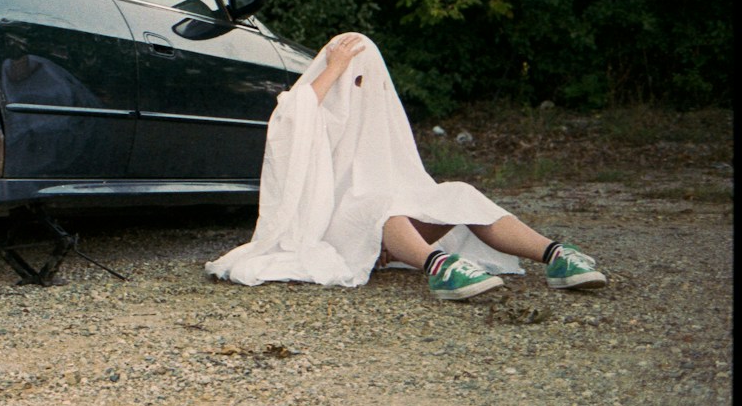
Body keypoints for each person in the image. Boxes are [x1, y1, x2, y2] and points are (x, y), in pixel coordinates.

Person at [204, 33, 607, 300]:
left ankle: (556, 256)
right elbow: (290, 116)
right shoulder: (316, 111)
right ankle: (441, 268)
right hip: (331, 226)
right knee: (382, 206)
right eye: (354, 79)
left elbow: (405, 176)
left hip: (383, 228)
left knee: (458, 193)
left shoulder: (378, 116)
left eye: (366, 77)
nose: (360, 87)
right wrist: (335, 68)